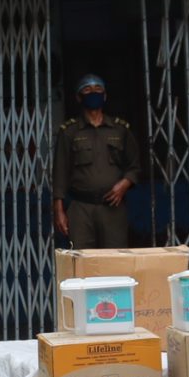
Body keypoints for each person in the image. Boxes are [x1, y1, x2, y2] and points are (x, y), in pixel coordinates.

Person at [51, 73, 143, 249]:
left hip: (113, 208)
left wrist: (124, 184)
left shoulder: (120, 129)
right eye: (87, 89)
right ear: (78, 97)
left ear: (105, 96)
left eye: (98, 89)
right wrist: (59, 210)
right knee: (81, 262)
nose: (93, 92)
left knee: (115, 260)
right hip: (81, 209)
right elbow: (60, 173)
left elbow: (135, 165)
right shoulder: (69, 131)